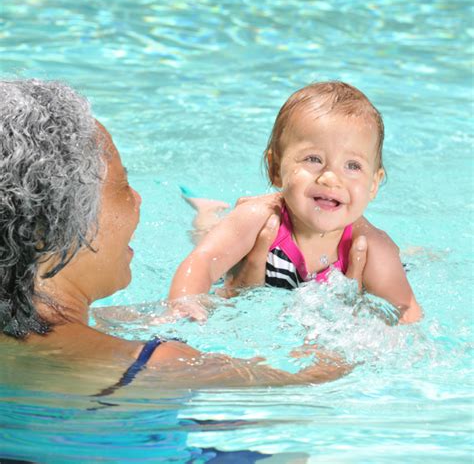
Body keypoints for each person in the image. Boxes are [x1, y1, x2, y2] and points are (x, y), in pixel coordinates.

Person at [0, 79, 370, 391]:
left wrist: (228, 300)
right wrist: (349, 317)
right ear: (46, 230)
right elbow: (313, 380)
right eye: (123, 185)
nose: (138, 199)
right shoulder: (159, 364)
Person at [169, 81, 423, 324]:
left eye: (353, 165)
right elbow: (202, 262)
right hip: (247, 256)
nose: (331, 178)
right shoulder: (258, 218)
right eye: (313, 159)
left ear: (373, 185)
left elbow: (406, 310)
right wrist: (184, 304)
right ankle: (207, 211)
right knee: (206, 235)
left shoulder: (373, 247)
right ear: (275, 169)